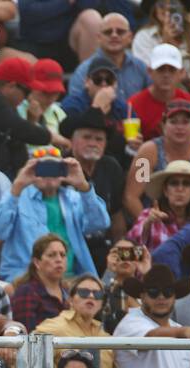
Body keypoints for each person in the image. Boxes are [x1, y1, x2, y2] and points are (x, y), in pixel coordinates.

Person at [0, 151, 109, 282]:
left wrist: (83, 186)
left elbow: (100, 223)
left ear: (63, 171)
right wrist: (18, 185)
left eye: (54, 168)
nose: (48, 174)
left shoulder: (73, 198)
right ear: (30, 170)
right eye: (42, 168)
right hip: (26, 278)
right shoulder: (16, 197)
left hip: (71, 278)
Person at [123, 99, 190, 221]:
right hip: (154, 222)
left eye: (185, 122)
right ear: (163, 125)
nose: (180, 127)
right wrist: (151, 225)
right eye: (173, 122)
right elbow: (132, 197)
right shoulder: (149, 152)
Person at [60, 107, 126, 268]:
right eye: (86, 137)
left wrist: (120, 252)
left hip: (103, 247)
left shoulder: (111, 167)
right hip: (67, 248)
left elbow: (116, 215)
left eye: (99, 139)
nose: (93, 143)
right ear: (72, 141)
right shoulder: (59, 167)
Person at [128, 159, 190, 254]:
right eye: (174, 183)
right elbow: (127, 254)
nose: (180, 189)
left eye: (186, 184)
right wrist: (147, 226)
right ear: (165, 191)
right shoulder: (148, 216)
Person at [35, 273, 115, 368]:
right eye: (83, 292)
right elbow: (30, 363)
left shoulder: (105, 336)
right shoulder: (56, 326)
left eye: (97, 294)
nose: (91, 296)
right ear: (70, 300)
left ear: (101, 303)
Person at [63, 13, 148, 105]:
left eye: (120, 31)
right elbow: (73, 110)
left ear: (130, 37)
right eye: (108, 32)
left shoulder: (141, 67)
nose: (114, 35)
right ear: (99, 38)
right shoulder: (83, 72)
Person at [133, 0, 190, 97]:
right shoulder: (144, 37)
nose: (167, 8)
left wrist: (187, 79)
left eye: (173, 4)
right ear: (155, 9)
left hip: (187, 100)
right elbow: (145, 75)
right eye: (161, 5)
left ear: (182, 9)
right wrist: (166, 47)